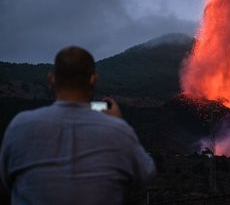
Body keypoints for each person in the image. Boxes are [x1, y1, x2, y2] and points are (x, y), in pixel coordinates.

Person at [0, 46, 155, 205]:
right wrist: (117, 123)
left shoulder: (19, 126)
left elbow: (6, 179)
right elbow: (146, 174)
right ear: (93, 79)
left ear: (51, 79)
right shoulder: (118, 130)